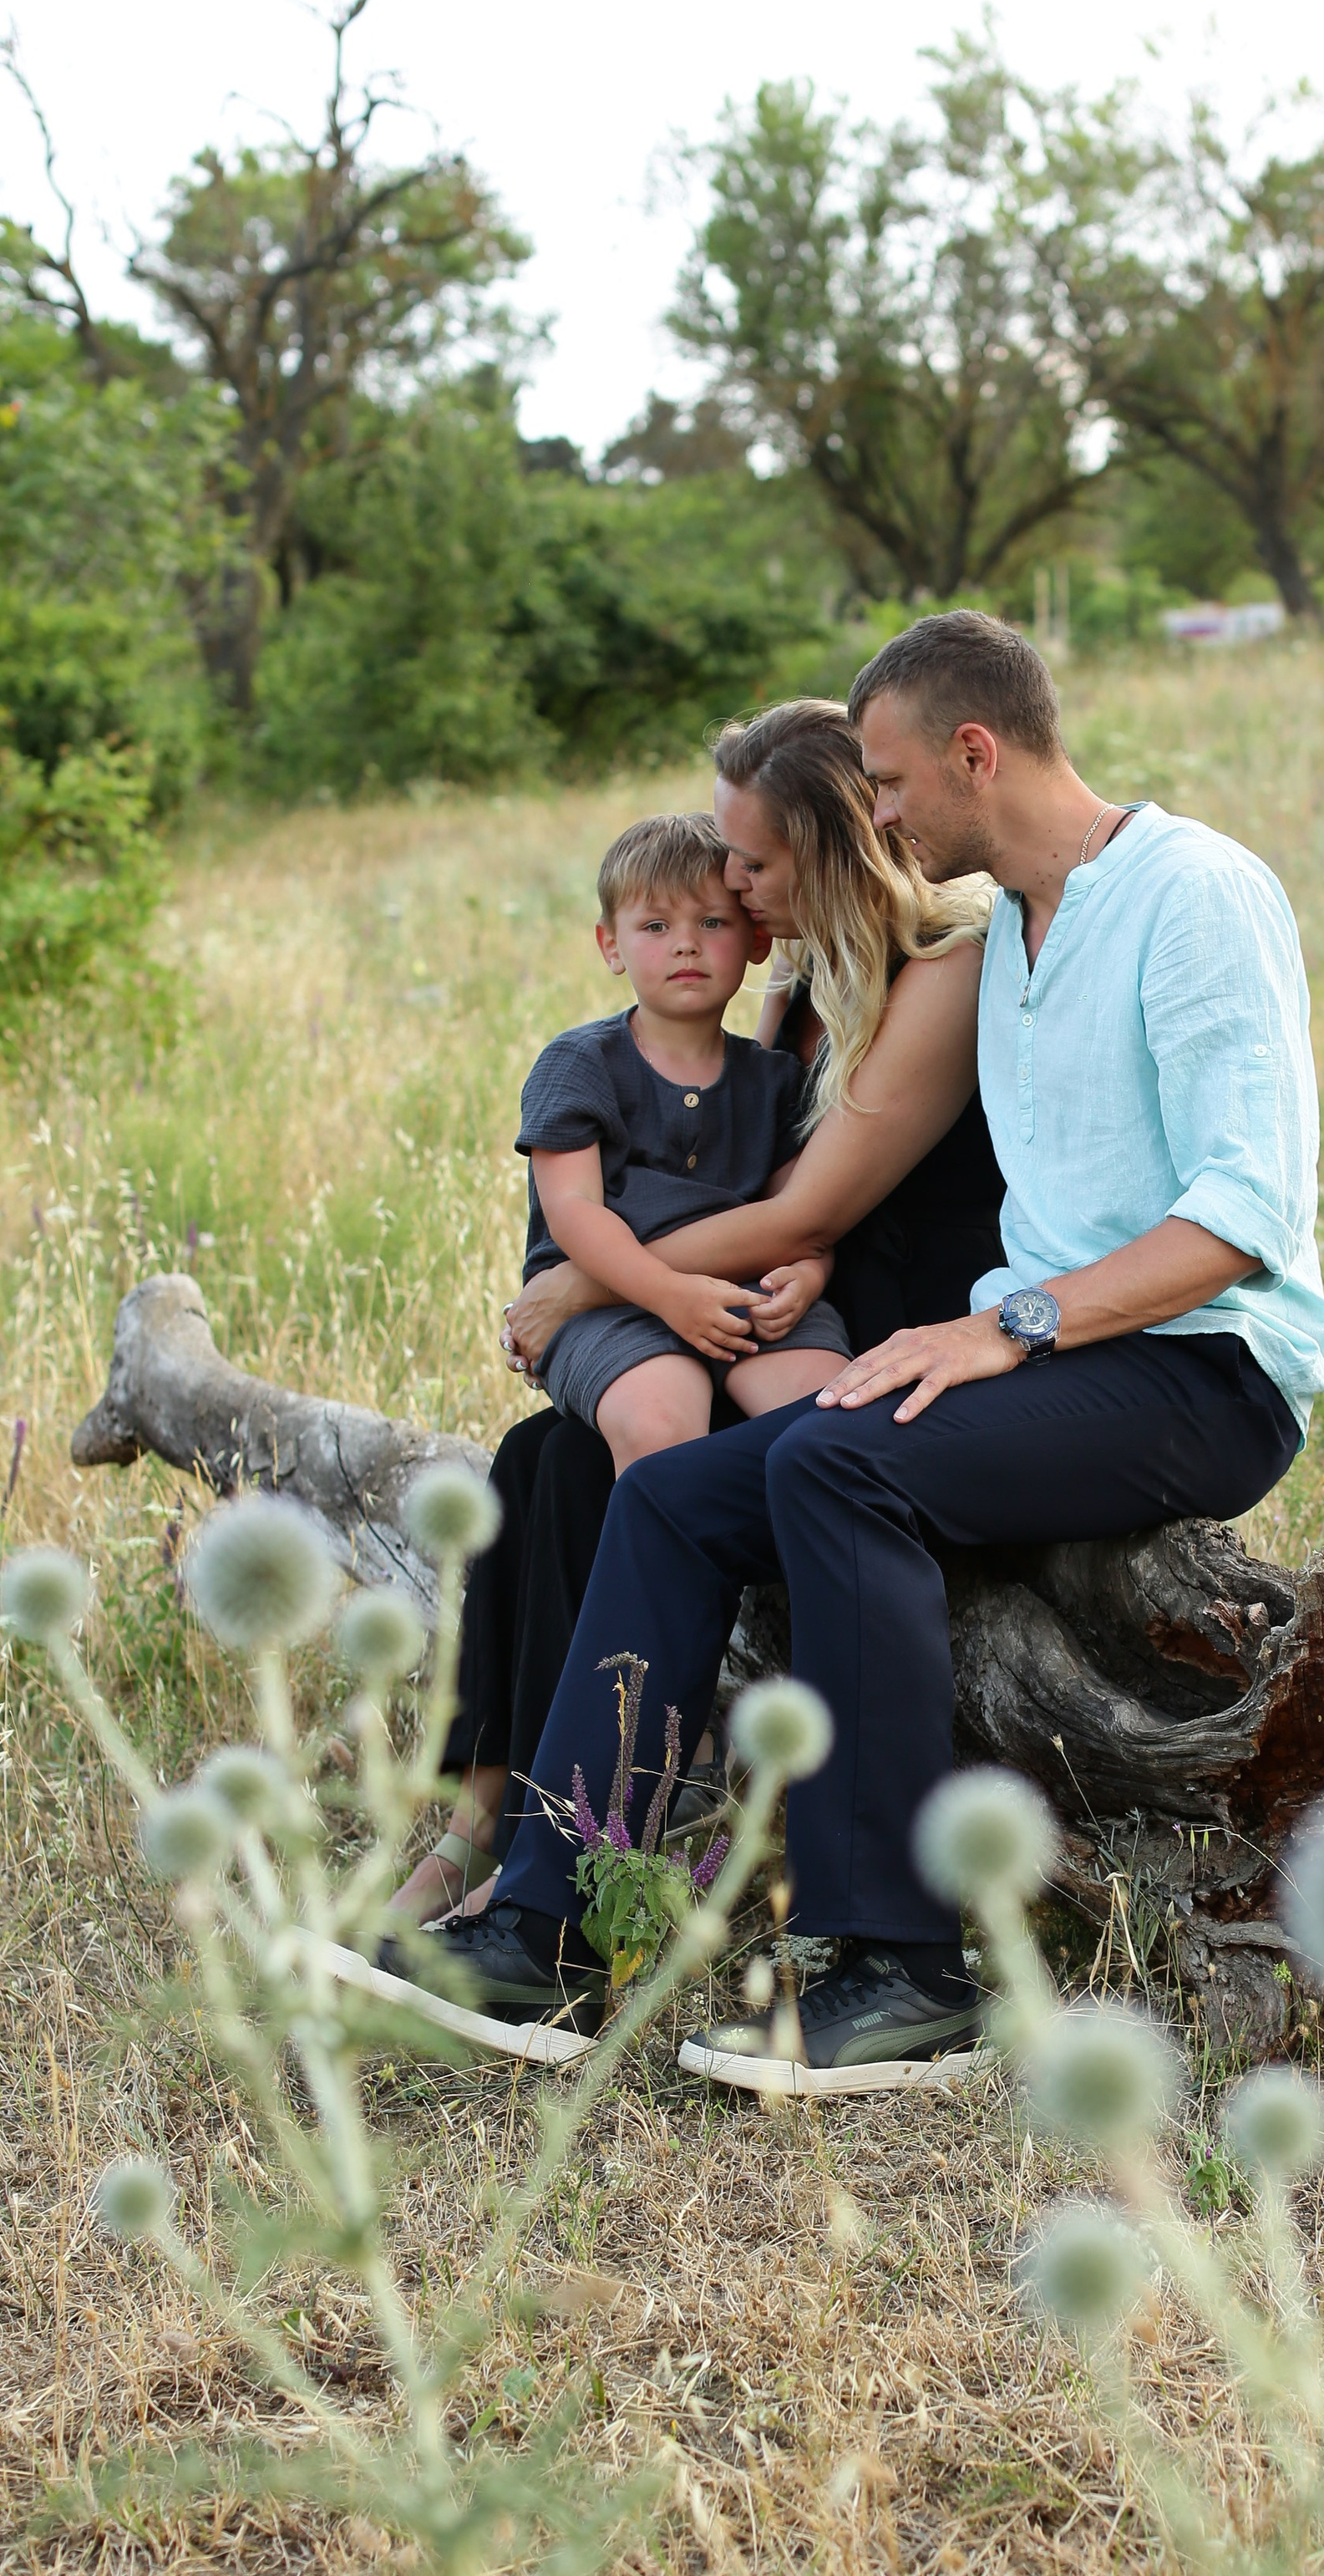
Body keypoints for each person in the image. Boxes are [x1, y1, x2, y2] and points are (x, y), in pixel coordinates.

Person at [368, 610, 1324, 2089]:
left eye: (886, 782)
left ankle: (901, 1966)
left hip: (1203, 1365)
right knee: (674, 1492)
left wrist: (1006, 1325)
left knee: (836, 1465)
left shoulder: (1194, 890)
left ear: (976, 750)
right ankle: (551, 1927)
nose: (875, 812)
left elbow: (1242, 1219)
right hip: (1054, 1353)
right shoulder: (1008, 935)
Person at [390, 704, 1000, 1925]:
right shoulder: (799, 985)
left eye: (752, 865)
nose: (731, 884)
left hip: (892, 1336)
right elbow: (757, 1193)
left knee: (640, 1481)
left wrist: (592, 1279)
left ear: (830, 849)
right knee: (543, 1461)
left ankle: (596, 1821)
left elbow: (798, 1215)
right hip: (754, 1310)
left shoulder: (952, 965)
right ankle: (504, 1818)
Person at [515, 807, 852, 1471]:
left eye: (712, 922)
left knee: (831, 1415)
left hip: (746, 1291)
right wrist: (671, 1294)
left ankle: (800, 1566)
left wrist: (809, 1277)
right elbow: (575, 1212)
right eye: (656, 926)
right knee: (659, 1425)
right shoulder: (579, 1064)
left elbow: (804, 1214)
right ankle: (666, 1570)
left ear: (757, 939)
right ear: (610, 945)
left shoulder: (776, 1079)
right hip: (609, 1302)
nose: (686, 945)